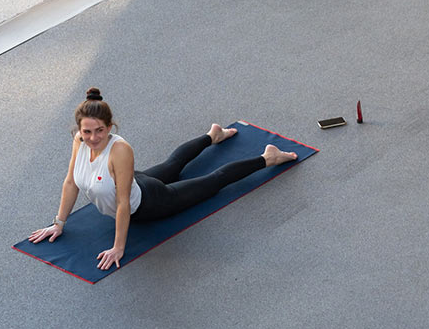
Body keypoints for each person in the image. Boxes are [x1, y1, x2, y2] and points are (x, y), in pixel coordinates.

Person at [28, 88, 298, 270]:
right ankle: (212, 135)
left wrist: (118, 248)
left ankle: (268, 157)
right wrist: (58, 224)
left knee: (214, 181)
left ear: (110, 128)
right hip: (135, 181)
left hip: (151, 202)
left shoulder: (120, 150)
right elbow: (71, 182)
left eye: (100, 131)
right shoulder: (80, 141)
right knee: (172, 165)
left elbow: (123, 204)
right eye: (87, 131)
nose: (93, 138)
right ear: (79, 129)